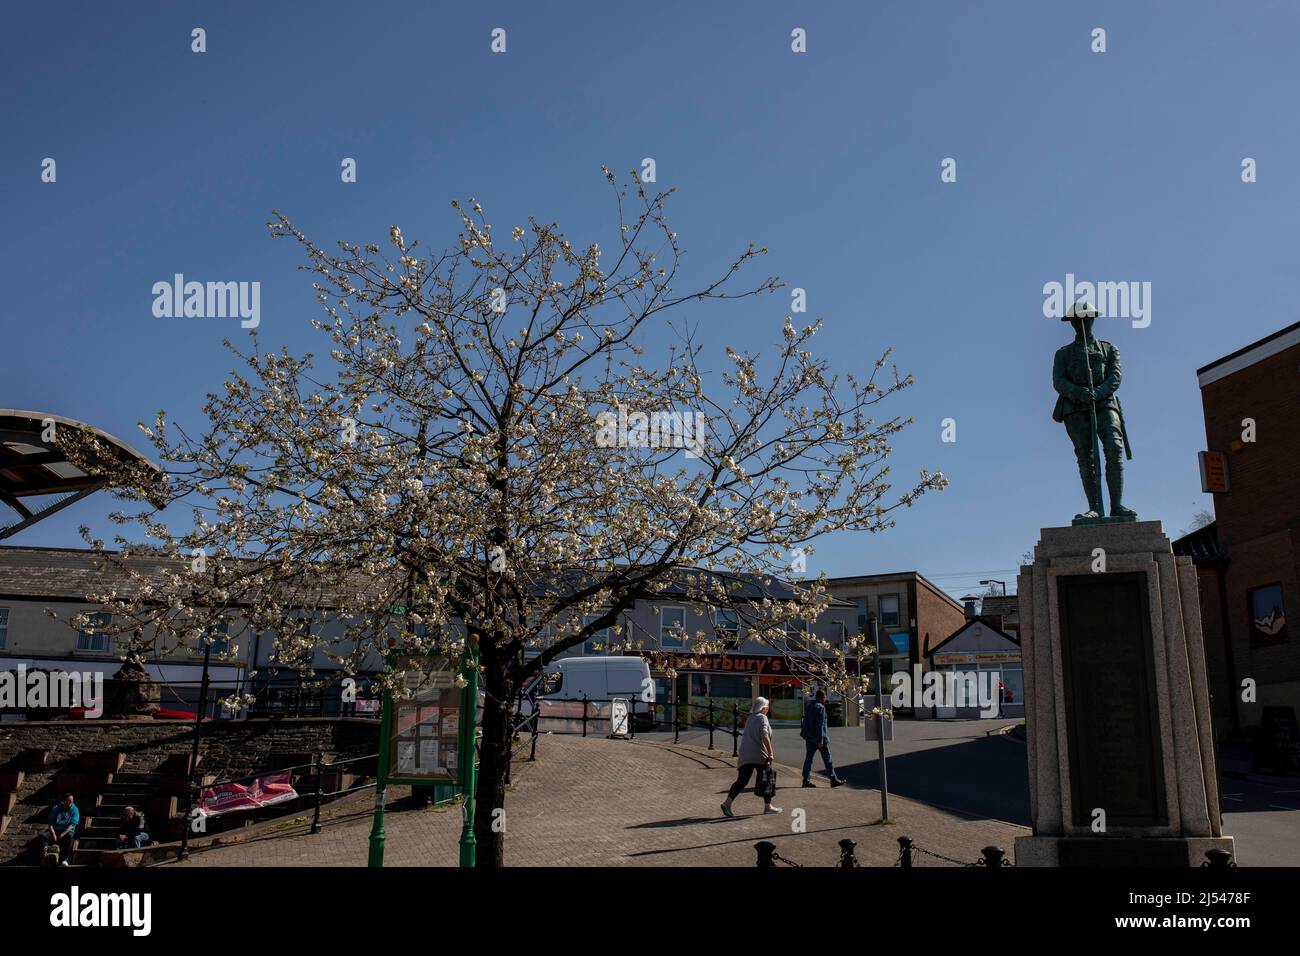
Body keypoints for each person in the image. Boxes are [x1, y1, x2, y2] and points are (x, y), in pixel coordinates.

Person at [720, 697, 781, 817]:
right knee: (767, 778)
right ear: (764, 708)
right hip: (758, 753)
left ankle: (727, 803)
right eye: (767, 707)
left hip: (745, 754)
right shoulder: (762, 717)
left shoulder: (750, 718)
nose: (768, 709)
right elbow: (764, 734)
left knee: (742, 781)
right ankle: (768, 806)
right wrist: (770, 753)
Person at [800, 690, 844, 788]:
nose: (825, 699)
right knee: (827, 759)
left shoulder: (809, 706)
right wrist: (820, 740)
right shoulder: (821, 708)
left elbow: (804, 720)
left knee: (808, 759)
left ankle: (806, 781)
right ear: (822, 697)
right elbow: (820, 725)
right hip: (820, 739)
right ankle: (833, 779)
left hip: (809, 738)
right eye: (825, 697)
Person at [42, 793, 79, 866]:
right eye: (69, 801)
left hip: (67, 831)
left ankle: (65, 859)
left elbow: (72, 825)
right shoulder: (56, 808)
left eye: (72, 800)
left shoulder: (75, 809)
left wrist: (62, 835)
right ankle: (46, 852)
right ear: (63, 801)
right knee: (43, 836)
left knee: (70, 837)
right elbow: (50, 824)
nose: (71, 802)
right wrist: (53, 834)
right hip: (55, 829)